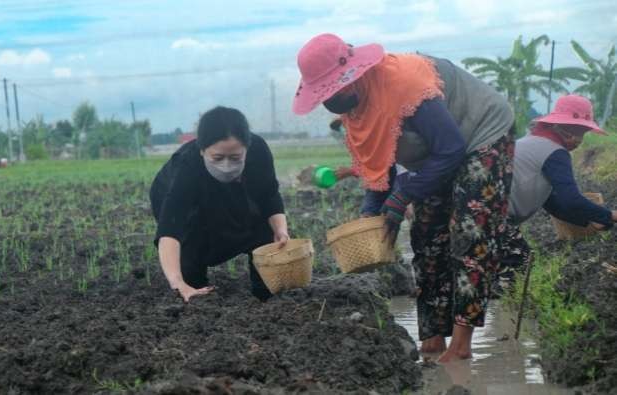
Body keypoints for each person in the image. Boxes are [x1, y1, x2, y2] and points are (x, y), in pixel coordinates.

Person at [293, 33, 515, 362]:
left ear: (354, 75)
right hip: (436, 153)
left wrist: (404, 195)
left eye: (333, 88)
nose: (330, 97)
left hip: (480, 134)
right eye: (324, 92)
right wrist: (373, 219)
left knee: (470, 232)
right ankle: (433, 337)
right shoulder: (354, 112)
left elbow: (451, 148)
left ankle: (463, 342)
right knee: (426, 236)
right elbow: (377, 171)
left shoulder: (404, 83)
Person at [150, 106, 289, 303]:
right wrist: (178, 283)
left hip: (232, 190)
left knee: (261, 226)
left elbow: (269, 195)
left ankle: (264, 293)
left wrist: (281, 231)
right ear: (202, 150)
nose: (226, 165)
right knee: (192, 258)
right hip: (176, 197)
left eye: (235, 158)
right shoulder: (187, 167)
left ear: (247, 149)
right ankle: (195, 289)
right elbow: (170, 230)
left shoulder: (258, 151)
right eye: (217, 158)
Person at [501, 95, 617, 282]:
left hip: (492, 215)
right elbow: (571, 200)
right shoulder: (555, 151)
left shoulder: (530, 142)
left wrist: (591, 220)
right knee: (517, 262)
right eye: (577, 131)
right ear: (560, 127)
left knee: (505, 266)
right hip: (496, 218)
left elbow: (554, 204)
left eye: (583, 133)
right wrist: (610, 215)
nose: (579, 140)